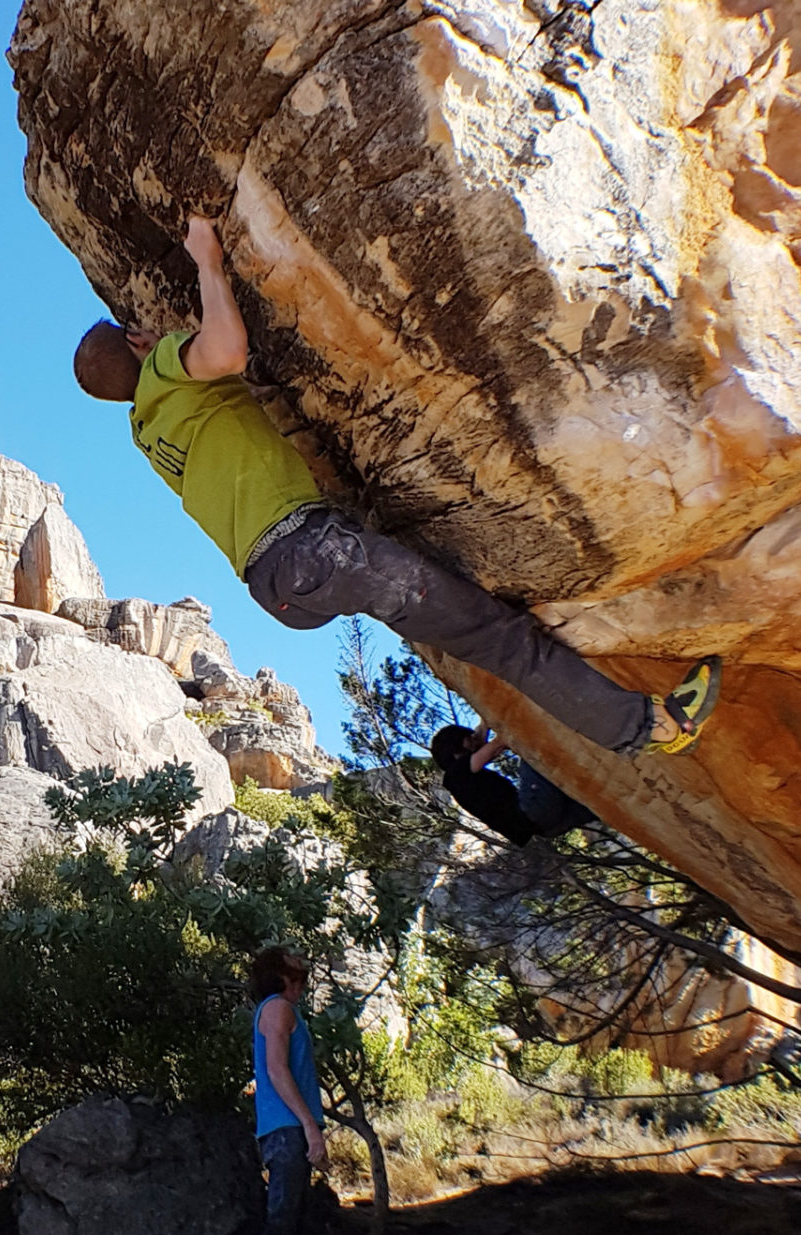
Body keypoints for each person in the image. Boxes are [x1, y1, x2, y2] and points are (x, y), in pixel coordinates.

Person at [73, 216, 721, 760]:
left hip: (279, 587)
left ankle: (565, 718)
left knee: (455, 615)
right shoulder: (164, 366)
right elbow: (229, 349)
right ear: (136, 341)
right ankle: (650, 727)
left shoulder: (147, 427)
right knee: (496, 635)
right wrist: (207, 259)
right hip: (316, 552)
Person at [243, 946, 327, 1235]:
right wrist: (309, 1125)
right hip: (286, 1130)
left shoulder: (283, 1010)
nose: (302, 962)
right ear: (279, 973)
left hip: (288, 1129)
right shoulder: (277, 1008)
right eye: (294, 961)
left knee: (289, 1226)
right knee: (279, 1225)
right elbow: (276, 1069)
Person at [430, 722, 594, 847]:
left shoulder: (463, 780)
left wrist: (485, 721)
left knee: (595, 802)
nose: (474, 741)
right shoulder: (456, 774)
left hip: (544, 827)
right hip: (532, 811)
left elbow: (480, 740)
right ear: (456, 749)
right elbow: (496, 746)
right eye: (468, 740)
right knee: (532, 752)